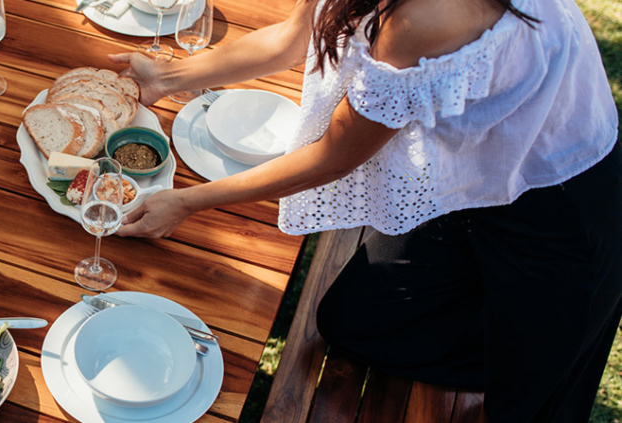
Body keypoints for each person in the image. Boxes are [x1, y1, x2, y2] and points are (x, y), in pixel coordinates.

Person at [110, 0, 619, 420]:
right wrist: (165, 78)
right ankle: (518, 339)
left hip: (563, 208)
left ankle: (539, 356)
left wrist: (186, 201)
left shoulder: (426, 18)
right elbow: (292, 38)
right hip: (469, 185)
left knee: (530, 407)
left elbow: (335, 156)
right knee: (351, 322)